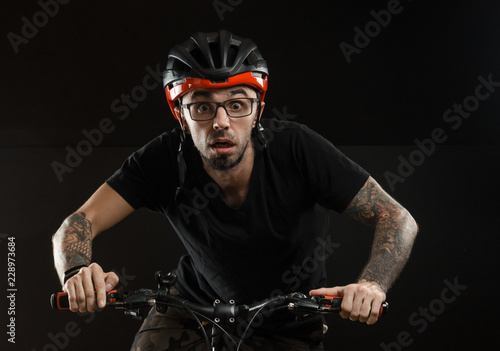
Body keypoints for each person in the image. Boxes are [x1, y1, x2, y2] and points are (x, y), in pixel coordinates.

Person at [52, 30, 418, 350]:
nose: (221, 122)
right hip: (190, 311)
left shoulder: (298, 149)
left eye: (238, 104)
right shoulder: (163, 160)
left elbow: (397, 218)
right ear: (181, 115)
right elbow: (78, 222)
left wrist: (371, 285)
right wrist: (76, 272)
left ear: (258, 110)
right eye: (203, 107)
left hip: (287, 321)